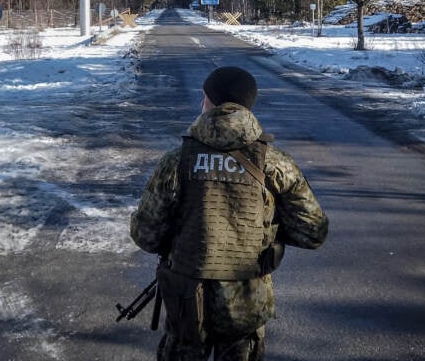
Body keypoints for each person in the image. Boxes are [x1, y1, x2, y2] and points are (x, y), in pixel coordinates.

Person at [130, 66, 329, 361]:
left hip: (186, 301)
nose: (201, 104)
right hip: (245, 302)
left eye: (205, 97)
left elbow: (145, 235)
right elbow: (313, 232)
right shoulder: (275, 163)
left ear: (213, 103)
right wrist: (263, 229)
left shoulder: (177, 161)